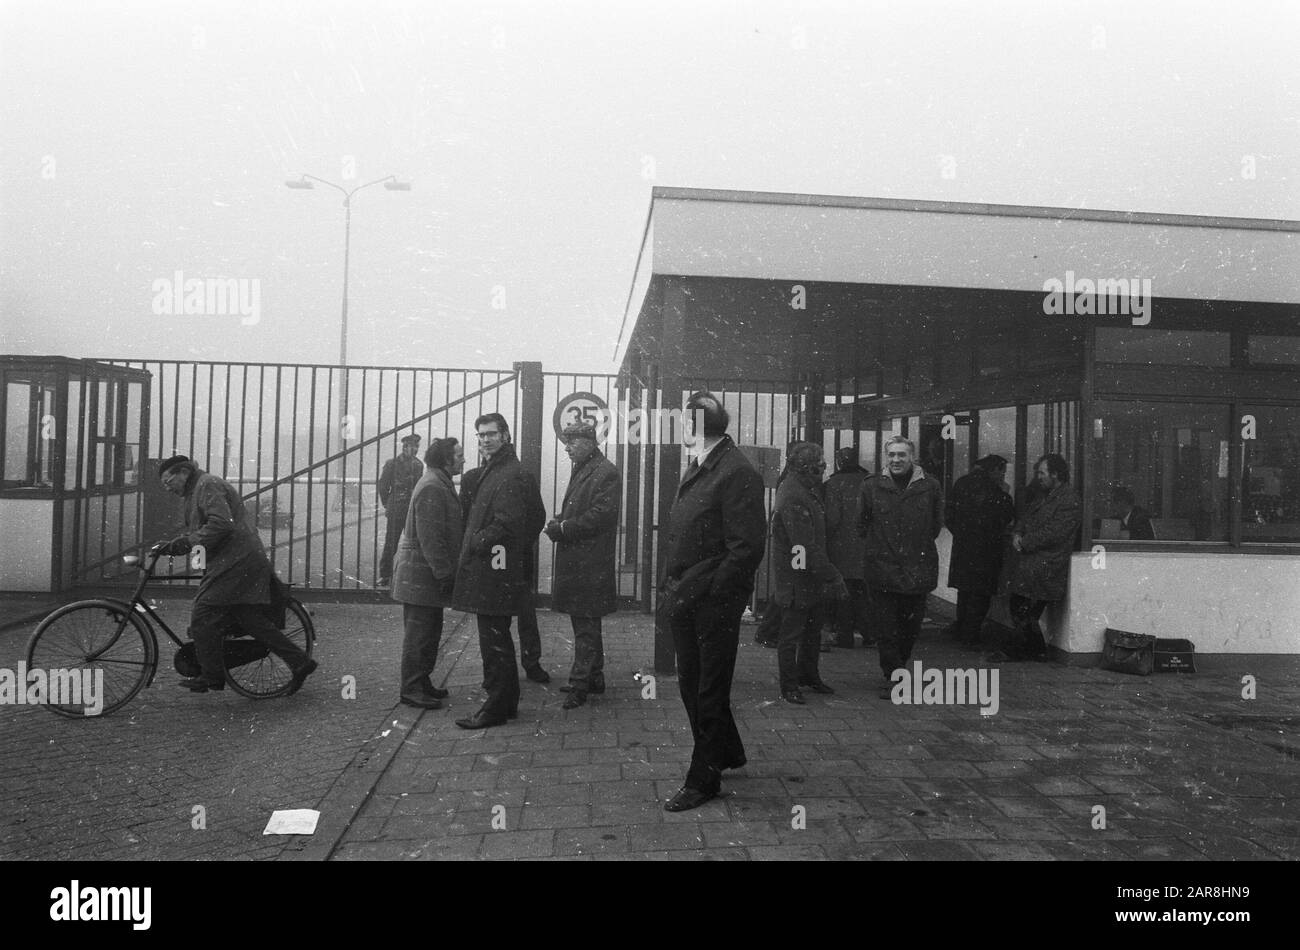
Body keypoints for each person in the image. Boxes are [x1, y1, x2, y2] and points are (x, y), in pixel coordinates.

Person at [658, 392, 767, 812]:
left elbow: (746, 548)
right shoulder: (707, 463)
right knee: (695, 682)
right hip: (689, 591)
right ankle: (727, 751)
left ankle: (703, 778)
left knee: (705, 686)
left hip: (710, 599)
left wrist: (716, 593)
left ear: (693, 427)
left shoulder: (735, 471)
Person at [155, 455, 317, 694]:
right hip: (238, 559)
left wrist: (185, 543)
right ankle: (300, 662)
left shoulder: (206, 485)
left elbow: (221, 524)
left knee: (203, 613)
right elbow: (206, 528)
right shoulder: (198, 489)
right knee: (246, 616)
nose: (168, 488)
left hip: (236, 562)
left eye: (169, 481)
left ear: (183, 473)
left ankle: (211, 675)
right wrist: (180, 543)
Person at [450, 413, 532, 729]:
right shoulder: (497, 470)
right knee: (497, 639)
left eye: (491, 434)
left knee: (493, 641)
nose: (485, 440)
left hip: (495, 570)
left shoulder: (508, 473)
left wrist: (474, 542)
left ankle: (496, 708)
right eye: (480, 435)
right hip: (496, 568)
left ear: (506, 435)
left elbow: (508, 523)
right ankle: (505, 703)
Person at [857, 436, 944, 699]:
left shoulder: (930, 486)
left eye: (902, 455)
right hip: (882, 568)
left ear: (912, 458)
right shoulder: (871, 486)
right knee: (886, 628)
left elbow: (935, 525)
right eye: (892, 455)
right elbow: (861, 524)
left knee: (911, 627)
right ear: (886, 458)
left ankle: (900, 666)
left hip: (917, 569)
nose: (896, 460)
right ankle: (893, 675)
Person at [545, 422, 621, 709]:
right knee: (586, 620)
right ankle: (595, 676)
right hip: (585, 559)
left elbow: (601, 515)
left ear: (589, 441)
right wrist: (562, 519)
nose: (566, 447)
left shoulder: (605, 471)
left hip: (589, 561)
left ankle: (580, 684)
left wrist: (563, 527)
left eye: (571, 442)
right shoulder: (592, 468)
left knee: (585, 622)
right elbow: (589, 510)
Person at [462, 444, 551, 683]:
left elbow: (536, 514)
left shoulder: (518, 475)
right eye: (481, 440)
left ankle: (530, 662)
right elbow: (467, 517)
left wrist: (520, 542)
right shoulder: (472, 478)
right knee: (496, 619)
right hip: (490, 558)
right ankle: (505, 670)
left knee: (523, 612)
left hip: (512, 557)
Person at [770, 442, 847, 703]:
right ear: (807, 469)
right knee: (791, 634)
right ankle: (789, 684)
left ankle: (808, 676)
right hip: (797, 577)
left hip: (806, 575)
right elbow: (804, 544)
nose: (824, 470)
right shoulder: (795, 494)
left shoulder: (801, 489)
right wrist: (832, 575)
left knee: (812, 631)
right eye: (820, 466)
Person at [390, 437, 464, 709]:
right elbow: (430, 538)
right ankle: (411, 688)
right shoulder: (433, 486)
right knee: (419, 635)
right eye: (458, 456)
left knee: (429, 632)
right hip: (421, 576)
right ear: (446, 460)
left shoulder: (437, 480)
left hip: (424, 576)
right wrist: (445, 573)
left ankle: (421, 682)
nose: (463, 460)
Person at [996, 453, 1081, 662]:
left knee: (1024, 608)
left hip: (1047, 564)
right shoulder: (1044, 495)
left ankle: (1018, 650)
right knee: (1021, 606)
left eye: (1042, 472)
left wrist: (1024, 542)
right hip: (1032, 562)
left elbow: (1055, 533)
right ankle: (1036, 650)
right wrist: (1017, 533)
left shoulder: (1068, 500)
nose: (1038, 476)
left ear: (1056, 474)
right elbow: (1025, 518)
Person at [944, 454, 1016, 646]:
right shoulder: (997, 491)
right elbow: (1007, 515)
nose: (1003, 476)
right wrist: (1006, 492)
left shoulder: (961, 483)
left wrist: (961, 534)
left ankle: (961, 631)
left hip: (964, 547)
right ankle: (971, 637)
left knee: (965, 592)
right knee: (980, 595)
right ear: (994, 470)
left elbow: (949, 514)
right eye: (1002, 471)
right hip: (987, 550)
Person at [823, 446, 872, 649]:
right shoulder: (870, 481)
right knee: (863, 592)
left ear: (839, 462)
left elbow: (833, 518)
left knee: (843, 592)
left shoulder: (834, 483)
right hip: (866, 544)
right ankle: (871, 634)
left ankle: (845, 636)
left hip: (842, 546)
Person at [378, 433, 424, 587]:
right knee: (391, 542)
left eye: (417, 446)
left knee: (413, 543)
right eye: (413, 446)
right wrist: (388, 504)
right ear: (405, 447)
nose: (416, 449)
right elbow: (383, 486)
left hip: (411, 508)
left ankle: (411, 575)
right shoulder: (392, 463)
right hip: (397, 508)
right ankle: (385, 575)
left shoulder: (418, 465)